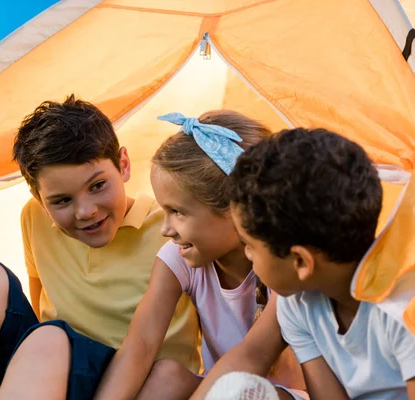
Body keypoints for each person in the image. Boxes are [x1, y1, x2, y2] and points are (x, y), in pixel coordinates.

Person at [0, 95, 200, 399]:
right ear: (39, 199)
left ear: (123, 165)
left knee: (49, 339)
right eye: (62, 200)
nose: (86, 211)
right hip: (48, 367)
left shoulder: (171, 230)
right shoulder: (34, 217)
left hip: (134, 381)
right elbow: (40, 297)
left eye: (97, 186)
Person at [95, 111, 303, 400]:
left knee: (239, 394)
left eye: (177, 212)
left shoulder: (285, 267)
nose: (166, 229)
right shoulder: (178, 258)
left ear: (236, 209)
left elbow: (251, 356)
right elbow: (139, 345)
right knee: (165, 375)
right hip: (217, 390)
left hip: (281, 394)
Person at [224, 128, 415, 399]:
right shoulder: (297, 304)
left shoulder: (403, 310)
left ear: (301, 261)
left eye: (250, 246)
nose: (247, 255)